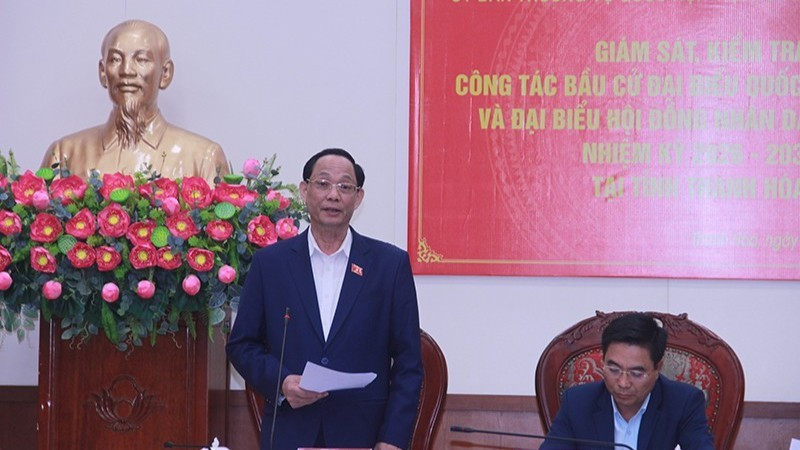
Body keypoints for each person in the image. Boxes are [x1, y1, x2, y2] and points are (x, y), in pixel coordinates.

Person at [227, 148, 423, 450]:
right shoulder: (271, 264)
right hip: (290, 432)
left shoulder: (389, 265)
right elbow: (242, 345)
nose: (333, 195)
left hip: (365, 435)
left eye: (345, 186)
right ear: (304, 190)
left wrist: (392, 439)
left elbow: (409, 362)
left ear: (358, 198)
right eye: (323, 183)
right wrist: (282, 382)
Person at [41, 20, 228, 183]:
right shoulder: (64, 155)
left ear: (165, 73)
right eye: (115, 59)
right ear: (103, 72)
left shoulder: (203, 158)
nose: (126, 71)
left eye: (141, 59)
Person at [541, 313, 714, 450]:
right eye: (614, 369)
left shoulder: (683, 403)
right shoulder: (577, 403)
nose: (623, 383)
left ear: (657, 368)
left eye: (636, 373)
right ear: (603, 362)